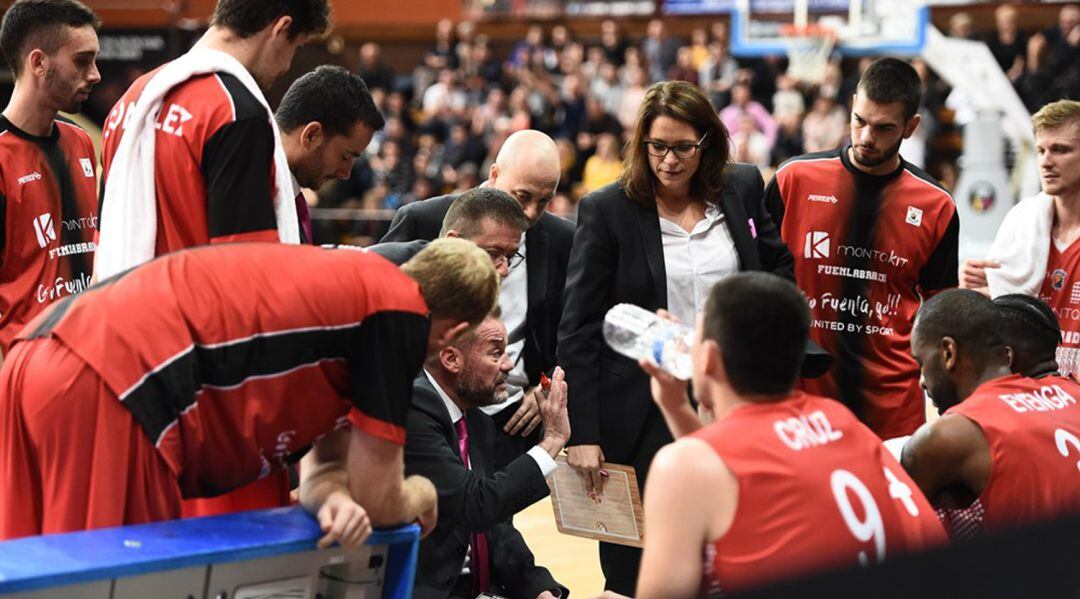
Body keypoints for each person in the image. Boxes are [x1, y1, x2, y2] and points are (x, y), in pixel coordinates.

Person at [0, 238, 498, 541]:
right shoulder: (399, 313)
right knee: (103, 583)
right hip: (114, 383)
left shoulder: (353, 292)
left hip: (37, 352)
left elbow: (328, 471)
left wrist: (335, 501)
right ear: (456, 332)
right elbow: (383, 500)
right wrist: (423, 494)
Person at [558, 80, 799, 594]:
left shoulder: (742, 187)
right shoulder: (608, 210)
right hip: (640, 409)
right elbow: (578, 327)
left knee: (736, 541)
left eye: (683, 147)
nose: (669, 160)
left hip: (734, 399)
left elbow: (777, 269)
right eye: (657, 146)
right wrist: (584, 433)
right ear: (641, 144)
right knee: (635, 569)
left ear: (706, 143)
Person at [603, 273, 945, 598]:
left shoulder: (682, 467)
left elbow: (715, 472)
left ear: (707, 358)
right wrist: (675, 407)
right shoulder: (840, 420)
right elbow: (737, 476)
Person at [764, 57, 959, 440]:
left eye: (885, 128)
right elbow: (756, 278)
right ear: (851, 105)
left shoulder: (935, 205)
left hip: (891, 406)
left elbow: (940, 310)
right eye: (860, 121)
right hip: (800, 394)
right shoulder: (793, 180)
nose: (867, 137)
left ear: (911, 127)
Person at [94, 0, 331, 280]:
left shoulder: (131, 101)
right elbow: (246, 267)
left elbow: (103, 246)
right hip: (196, 317)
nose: (288, 64)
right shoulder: (234, 111)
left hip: (122, 310)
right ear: (282, 29)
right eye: (297, 46)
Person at [382, 129, 574, 473]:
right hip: (428, 413)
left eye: (544, 201)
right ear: (495, 175)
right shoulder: (422, 220)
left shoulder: (563, 239)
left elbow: (575, 328)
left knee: (494, 519)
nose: (530, 212)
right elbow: (383, 315)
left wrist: (545, 384)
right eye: (523, 196)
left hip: (513, 420)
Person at [405, 311, 570, 598]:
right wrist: (552, 441)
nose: (508, 365)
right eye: (496, 354)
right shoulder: (413, 410)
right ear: (451, 359)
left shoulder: (476, 421)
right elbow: (475, 506)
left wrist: (538, 587)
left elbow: (495, 525)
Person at [902, 289, 1080, 539]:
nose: (921, 380)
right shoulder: (1072, 392)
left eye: (922, 363)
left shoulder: (948, 437)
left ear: (948, 353)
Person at [0, 0, 100, 355]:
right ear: (38, 62)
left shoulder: (83, 141)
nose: (95, 74)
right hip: (27, 372)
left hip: (92, 358)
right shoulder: (2, 156)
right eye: (82, 61)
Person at [961, 100, 1080, 376]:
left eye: (1060, 150)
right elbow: (1003, 306)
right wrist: (975, 286)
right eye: (1041, 150)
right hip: (1031, 393)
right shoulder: (1022, 220)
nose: (1046, 161)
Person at [276, 65, 385, 244]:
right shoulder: (251, 185)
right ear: (311, 135)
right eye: (345, 156)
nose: (345, 173)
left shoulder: (282, 187)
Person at [370, 187, 527, 281]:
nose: (504, 271)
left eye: (510, 257)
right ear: (452, 243)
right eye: (493, 253)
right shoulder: (385, 273)